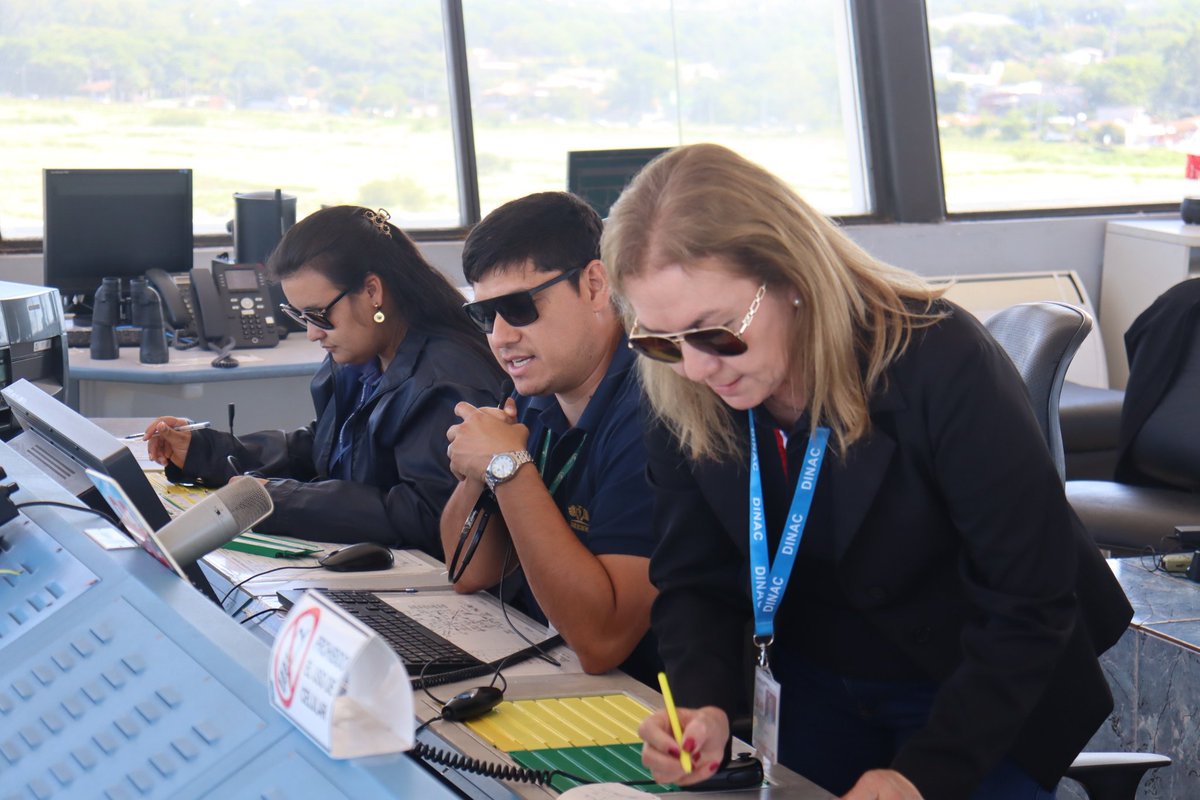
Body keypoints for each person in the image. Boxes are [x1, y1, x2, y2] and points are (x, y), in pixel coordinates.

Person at [602, 144, 1133, 800]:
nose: (695, 366)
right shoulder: (679, 383)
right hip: (816, 683)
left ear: (791, 277)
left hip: (978, 685)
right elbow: (693, 575)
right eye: (659, 338)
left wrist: (922, 776)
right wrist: (703, 704)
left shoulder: (939, 359)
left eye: (715, 331)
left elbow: (1030, 601)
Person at [143, 205, 507, 556]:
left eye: (318, 315)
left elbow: (425, 514)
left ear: (372, 292)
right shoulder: (362, 357)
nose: (313, 334)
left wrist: (281, 501)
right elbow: (324, 450)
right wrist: (205, 452)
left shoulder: (447, 381)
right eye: (299, 316)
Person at [440, 191, 659, 684]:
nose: (499, 336)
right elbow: (469, 571)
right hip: (562, 672)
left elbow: (603, 641)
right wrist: (480, 467)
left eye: (518, 307)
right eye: (483, 315)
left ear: (595, 285)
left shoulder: (654, 408)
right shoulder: (534, 396)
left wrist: (507, 469)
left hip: (660, 707)